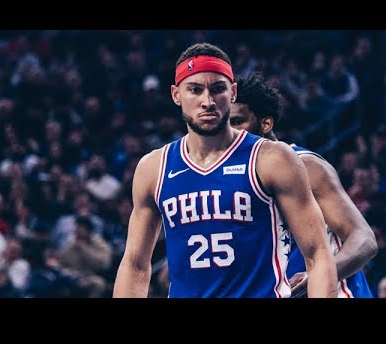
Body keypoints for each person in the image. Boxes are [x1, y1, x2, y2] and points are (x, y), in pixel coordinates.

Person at [113, 43, 337, 298]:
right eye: (195, 90)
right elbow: (135, 265)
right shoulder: (153, 168)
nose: (207, 101)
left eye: (217, 89)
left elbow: (318, 253)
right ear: (176, 95)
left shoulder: (272, 158)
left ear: (232, 92)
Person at [230, 71, 378, 298]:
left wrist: (321, 274)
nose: (230, 133)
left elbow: (364, 239)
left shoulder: (305, 166)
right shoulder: (240, 181)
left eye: (237, 122)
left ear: (266, 123)